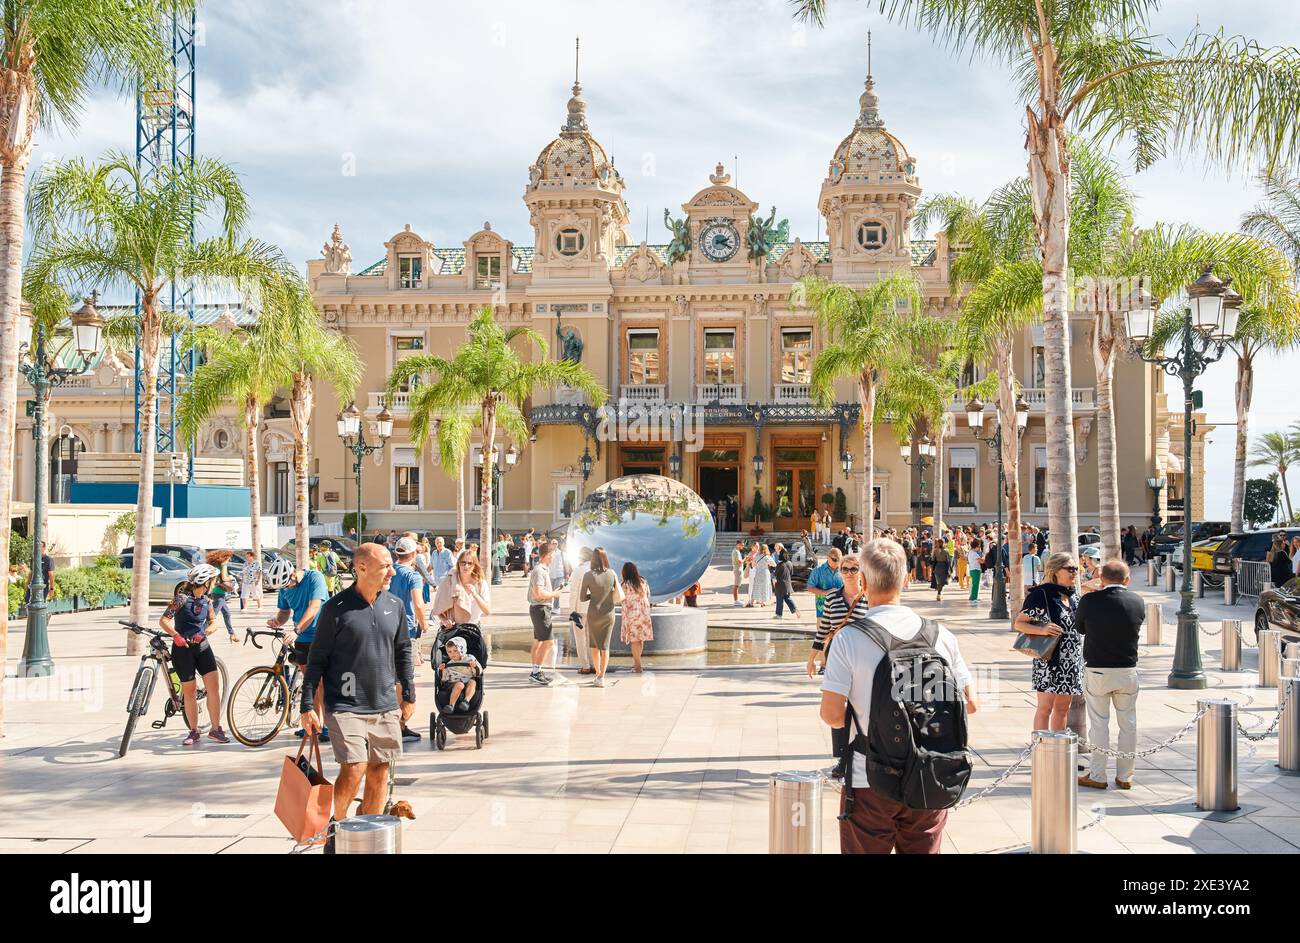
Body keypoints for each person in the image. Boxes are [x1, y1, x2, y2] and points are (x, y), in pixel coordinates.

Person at [818, 540, 976, 854]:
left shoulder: (848, 638)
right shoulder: (940, 635)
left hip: (870, 777)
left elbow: (832, 715)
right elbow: (970, 704)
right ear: (905, 579)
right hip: (931, 774)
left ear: (862, 582)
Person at [300, 543, 415, 854]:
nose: (393, 571)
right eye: (385, 566)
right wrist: (307, 705)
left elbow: (404, 650)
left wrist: (409, 693)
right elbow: (317, 660)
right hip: (346, 705)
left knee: (380, 768)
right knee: (355, 765)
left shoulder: (395, 605)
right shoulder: (335, 609)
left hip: (385, 704)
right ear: (362, 568)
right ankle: (337, 829)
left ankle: (370, 831)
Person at [1075, 560, 1145, 790]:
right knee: (1129, 724)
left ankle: (1097, 774)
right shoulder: (1137, 601)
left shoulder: (1089, 600)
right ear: (1127, 580)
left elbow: (1080, 628)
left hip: (1098, 669)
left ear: (1101, 578)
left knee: (1099, 724)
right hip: (1127, 669)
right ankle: (1125, 776)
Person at [160, 563, 231, 746]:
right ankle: (193, 731)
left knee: (214, 687)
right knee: (189, 691)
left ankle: (216, 729)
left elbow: (214, 623)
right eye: (213, 580)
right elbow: (164, 621)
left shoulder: (207, 601)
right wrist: (175, 636)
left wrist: (205, 633)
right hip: (182, 650)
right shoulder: (181, 599)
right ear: (205, 582)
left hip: (202, 648)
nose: (215, 583)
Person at [1016, 551, 1083, 734]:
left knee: (1063, 709)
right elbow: (1019, 623)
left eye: (1076, 568)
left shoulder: (1074, 596)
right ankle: (1041, 752)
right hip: (1050, 660)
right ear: (1055, 570)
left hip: (1071, 661)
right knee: (1045, 708)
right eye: (1070, 568)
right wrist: (1042, 630)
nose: (1074, 572)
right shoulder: (1041, 594)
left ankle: (1058, 753)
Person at [266, 558, 331, 740]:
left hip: (322, 634)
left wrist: (296, 629)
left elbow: (315, 606)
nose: (288, 589)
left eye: (289, 584)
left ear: (293, 574)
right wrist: (277, 621)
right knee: (310, 682)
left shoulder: (314, 578)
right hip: (301, 638)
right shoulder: (284, 588)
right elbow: (285, 612)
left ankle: (325, 724)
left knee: (320, 683)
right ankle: (313, 722)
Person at [389, 537, 427, 741]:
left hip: (386, 628)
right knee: (403, 678)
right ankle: (400, 724)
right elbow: (418, 603)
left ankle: (389, 722)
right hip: (406, 630)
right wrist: (425, 623)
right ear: (413, 555)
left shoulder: (389, 572)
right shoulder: (413, 576)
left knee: (389, 676)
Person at [579, 548, 619, 685]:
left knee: (594, 646)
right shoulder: (612, 574)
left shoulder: (588, 575)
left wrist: (594, 595)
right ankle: (602, 677)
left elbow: (582, 597)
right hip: (609, 614)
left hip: (594, 614)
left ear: (593, 559)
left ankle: (597, 674)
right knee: (605, 646)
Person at [527, 541, 564, 685]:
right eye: (553, 553)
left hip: (539, 609)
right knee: (548, 642)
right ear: (548, 554)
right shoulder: (540, 570)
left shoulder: (541, 569)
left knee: (538, 640)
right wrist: (554, 594)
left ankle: (536, 670)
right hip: (541, 608)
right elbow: (538, 593)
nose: (554, 556)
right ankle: (536, 672)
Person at [433, 549, 492, 630]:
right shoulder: (450, 582)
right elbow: (438, 608)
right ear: (458, 564)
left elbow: (487, 611)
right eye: (463, 563)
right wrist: (444, 620)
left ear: (474, 565)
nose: (466, 566)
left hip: (473, 628)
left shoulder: (480, 584)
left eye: (470, 563)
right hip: (453, 628)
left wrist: (475, 594)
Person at [619, 560, 653, 673]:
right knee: (640, 639)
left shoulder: (624, 585)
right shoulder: (642, 581)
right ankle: (637, 663)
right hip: (643, 613)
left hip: (632, 614)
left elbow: (620, 599)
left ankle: (638, 666)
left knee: (634, 640)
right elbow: (648, 595)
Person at [567, 547, 595, 674]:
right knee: (592, 638)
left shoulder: (578, 570)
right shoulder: (596, 569)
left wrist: (572, 612)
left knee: (580, 638)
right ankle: (594, 663)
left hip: (579, 609)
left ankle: (585, 665)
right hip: (594, 609)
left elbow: (574, 593)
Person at [438, 636, 481, 713]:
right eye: (449, 652)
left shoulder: (470, 659)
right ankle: (451, 705)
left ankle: (466, 701)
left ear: (462, 649)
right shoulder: (449, 664)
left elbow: (478, 672)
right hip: (454, 683)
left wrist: (475, 666)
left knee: (473, 682)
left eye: (455, 651)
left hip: (468, 680)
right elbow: (444, 678)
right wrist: (442, 670)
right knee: (459, 685)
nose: (452, 654)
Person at [205, 549, 238, 642]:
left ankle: (232, 634)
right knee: (212, 615)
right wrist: (231, 579)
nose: (229, 560)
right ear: (225, 557)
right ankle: (200, 633)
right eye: (229, 558)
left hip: (215, 591)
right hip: (219, 592)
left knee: (227, 613)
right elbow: (224, 577)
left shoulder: (214, 565)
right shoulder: (223, 565)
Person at [806, 547, 844, 622]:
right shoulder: (818, 570)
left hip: (840, 608)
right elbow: (810, 587)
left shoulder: (843, 570)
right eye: (834, 560)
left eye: (839, 560)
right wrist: (825, 592)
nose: (837, 562)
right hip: (822, 609)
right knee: (822, 631)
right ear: (828, 557)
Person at [773, 549, 798, 619]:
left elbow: (775, 574)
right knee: (787, 598)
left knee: (779, 600)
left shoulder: (779, 565)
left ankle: (779, 615)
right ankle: (795, 609)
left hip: (780, 585)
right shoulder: (790, 563)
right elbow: (791, 573)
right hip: (788, 584)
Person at [748, 543, 773, 607]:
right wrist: (768, 564)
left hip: (758, 573)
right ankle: (762, 602)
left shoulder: (756, 556)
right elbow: (774, 564)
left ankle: (751, 602)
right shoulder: (767, 557)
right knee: (763, 587)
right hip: (765, 573)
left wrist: (758, 565)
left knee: (756, 587)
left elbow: (753, 565)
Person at [966, 538, 983, 605]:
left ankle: (973, 597)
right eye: (978, 547)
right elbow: (981, 561)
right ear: (975, 547)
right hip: (976, 570)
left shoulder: (970, 552)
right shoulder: (974, 554)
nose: (979, 548)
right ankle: (974, 598)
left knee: (973, 584)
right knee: (976, 585)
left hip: (972, 569)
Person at [731, 539, 746, 608]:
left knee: (737, 585)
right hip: (738, 570)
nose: (743, 546)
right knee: (736, 586)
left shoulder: (736, 551)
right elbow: (740, 561)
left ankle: (737, 600)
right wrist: (746, 558)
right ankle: (736, 601)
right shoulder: (736, 552)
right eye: (742, 545)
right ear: (738, 544)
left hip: (738, 569)